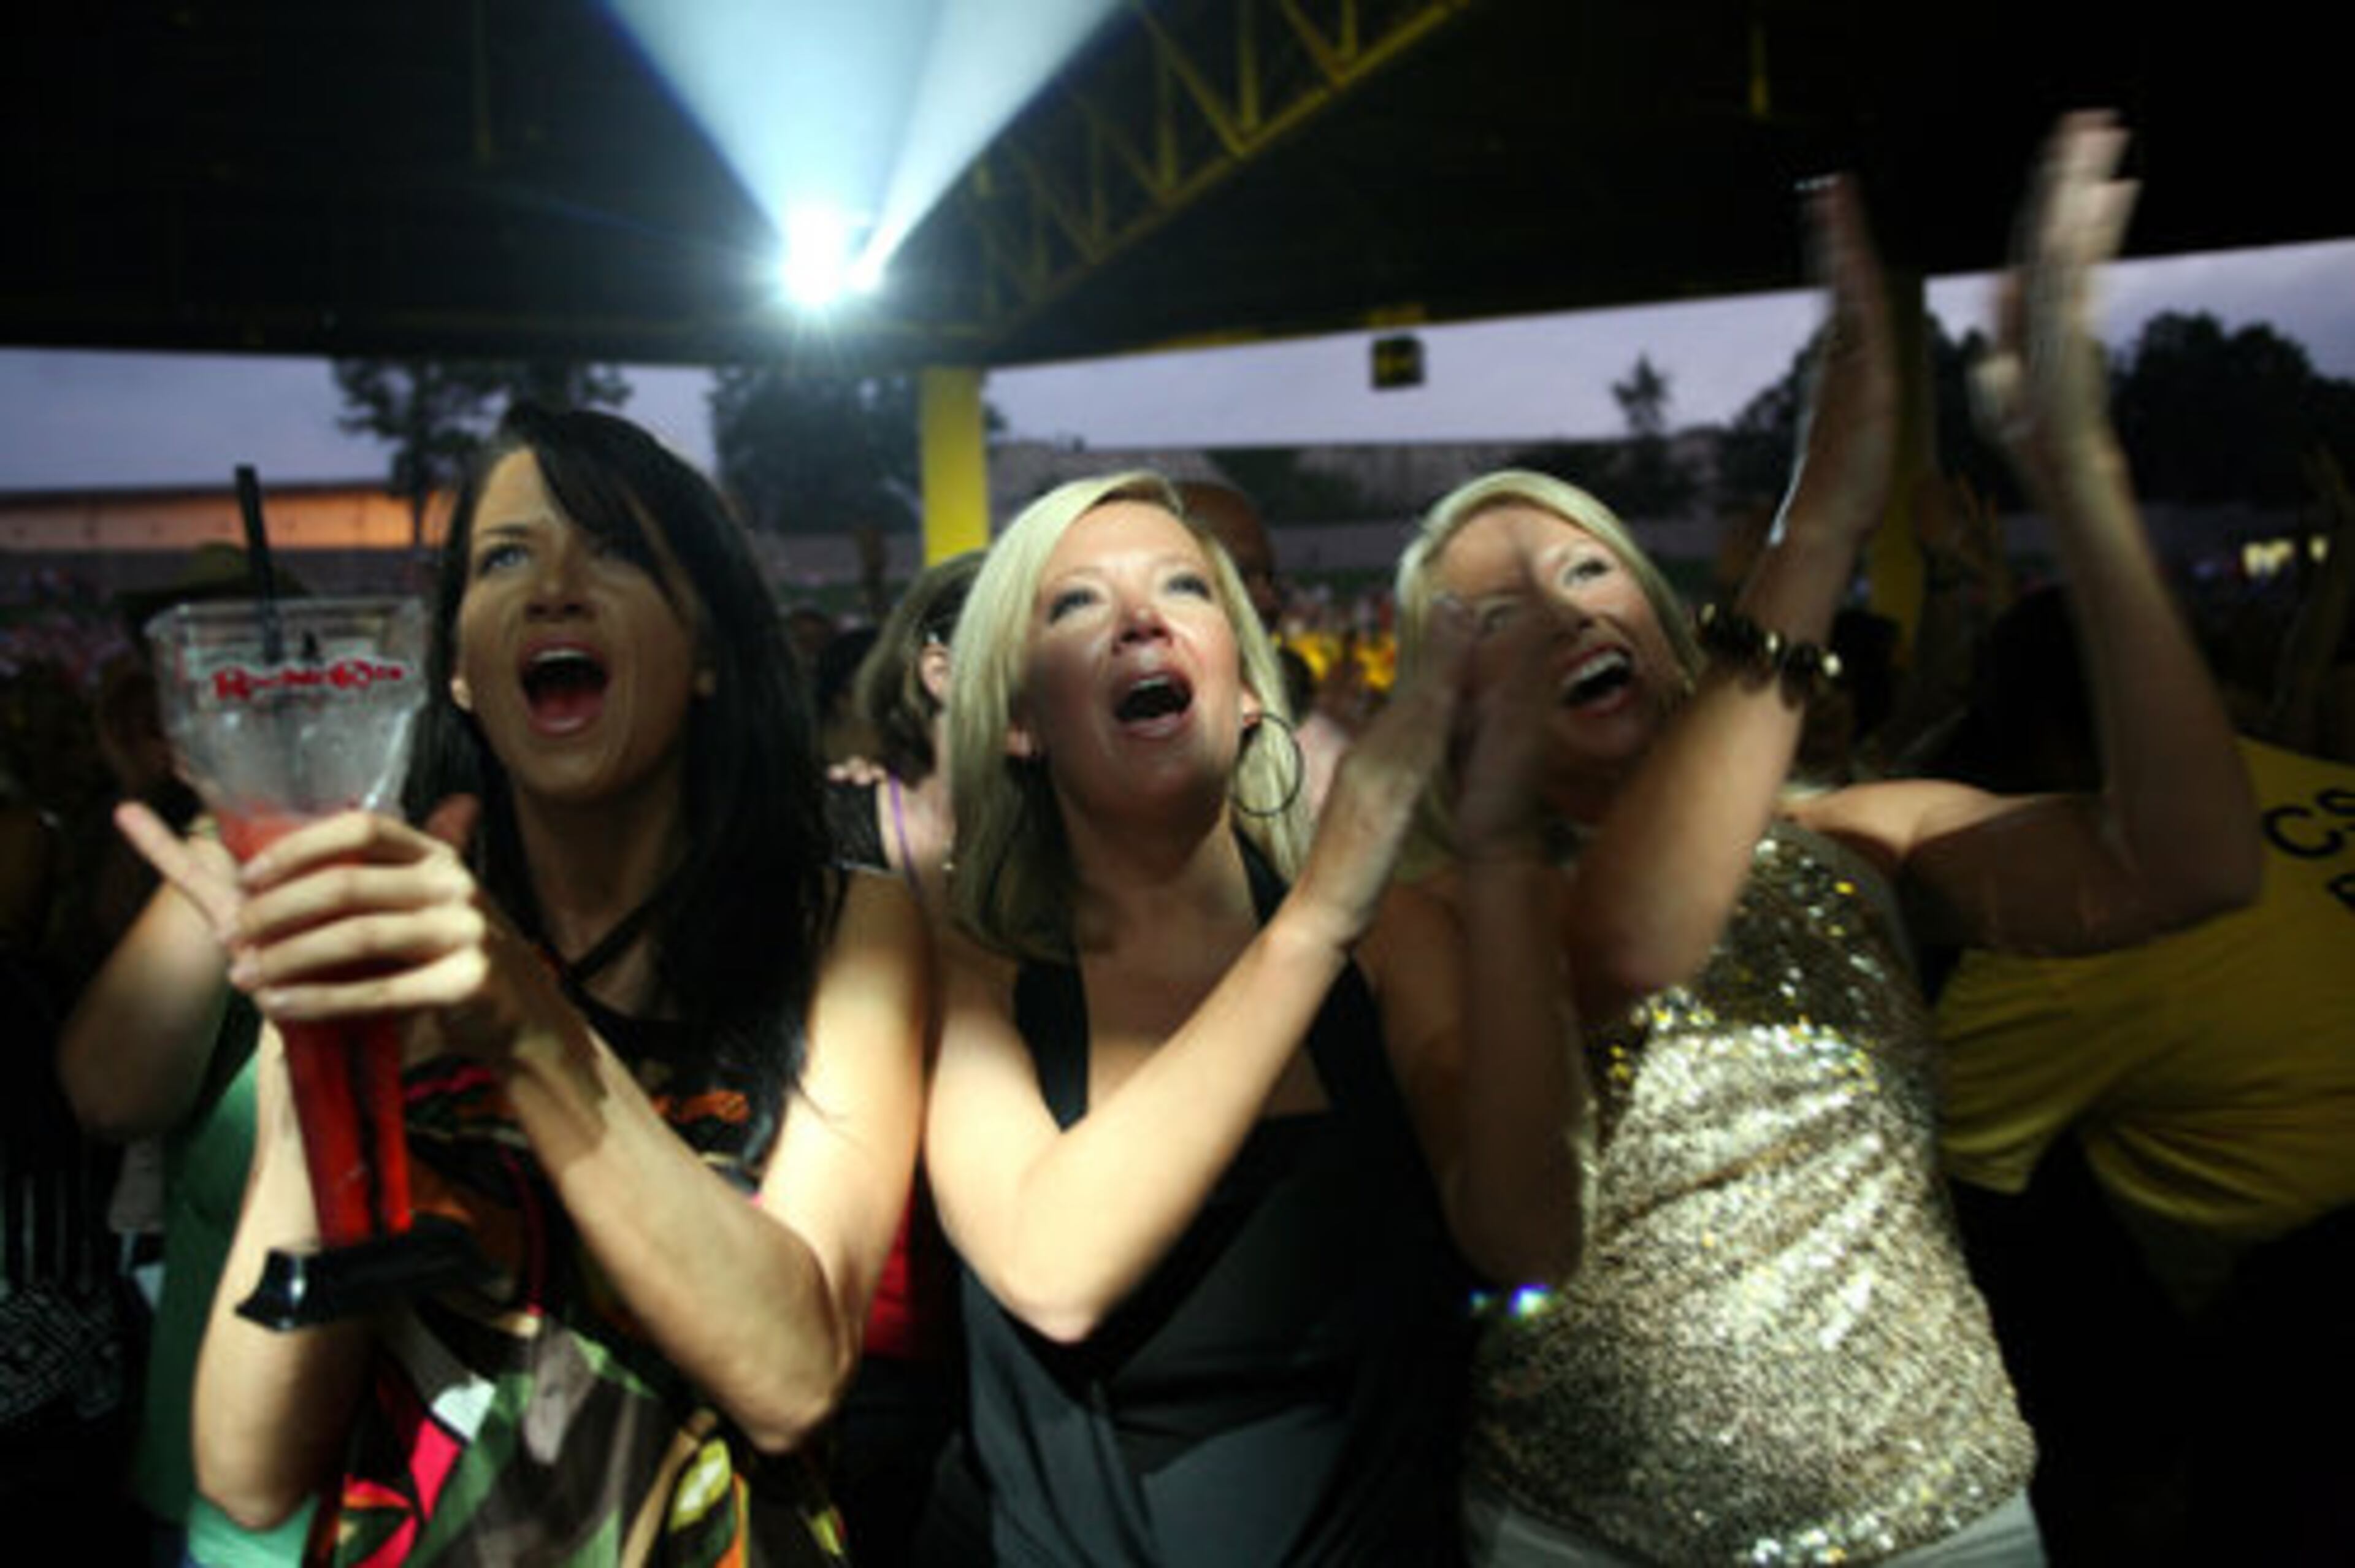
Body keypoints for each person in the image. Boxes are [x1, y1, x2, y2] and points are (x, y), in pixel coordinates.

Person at [1392, 117, 2260, 1565]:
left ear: (1675, 644)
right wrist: (1820, 521)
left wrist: (2081, 473)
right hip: (1585, 1539)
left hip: (1943, 1520)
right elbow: (1629, 940)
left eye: (1590, 568)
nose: (1562, 611)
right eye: (1491, 615)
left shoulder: (1860, 830)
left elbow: (2190, 864)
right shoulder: (1441, 909)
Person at [183, 406, 928, 1565]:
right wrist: (319, 1066)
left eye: (618, 549)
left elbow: (792, 1377)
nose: (555, 589)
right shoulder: (384, 939)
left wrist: (529, 1027)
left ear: (712, 654)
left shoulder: (843, 929)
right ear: (460, 673)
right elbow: (244, 1468)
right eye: (505, 558)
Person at [915, 470, 1577, 1564]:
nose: (1139, 619)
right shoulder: (972, 967)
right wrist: (1313, 921)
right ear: (1023, 720)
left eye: (1184, 588)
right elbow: (1053, 1270)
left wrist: (1500, 843)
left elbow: (1529, 1235)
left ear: (1249, 687)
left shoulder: (1393, 938)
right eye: (1076, 603)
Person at [819, 549, 986, 1568]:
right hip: (865, 1338)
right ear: (938, 668)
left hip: (1013, 1336)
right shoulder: (832, 829)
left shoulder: (1074, 847)